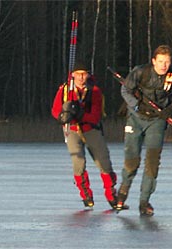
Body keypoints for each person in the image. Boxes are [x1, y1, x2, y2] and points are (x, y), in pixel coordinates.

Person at [117, 45, 172, 216]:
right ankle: (122, 194)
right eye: (160, 61)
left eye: (167, 62)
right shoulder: (140, 72)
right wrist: (136, 105)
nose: (163, 65)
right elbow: (125, 89)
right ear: (154, 61)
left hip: (156, 121)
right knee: (132, 159)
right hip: (135, 118)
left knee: (152, 162)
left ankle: (144, 201)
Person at [51, 62, 121, 210]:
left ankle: (111, 194)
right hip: (72, 129)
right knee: (78, 162)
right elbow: (56, 110)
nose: (81, 77)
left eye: (84, 74)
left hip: (90, 128)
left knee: (103, 161)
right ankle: (86, 194)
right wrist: (63, 117)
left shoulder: (94, 91)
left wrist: (81, 114)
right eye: (78, 74)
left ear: (88, 74)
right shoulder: (65, 90)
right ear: (73, 75)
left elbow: (95, 115)